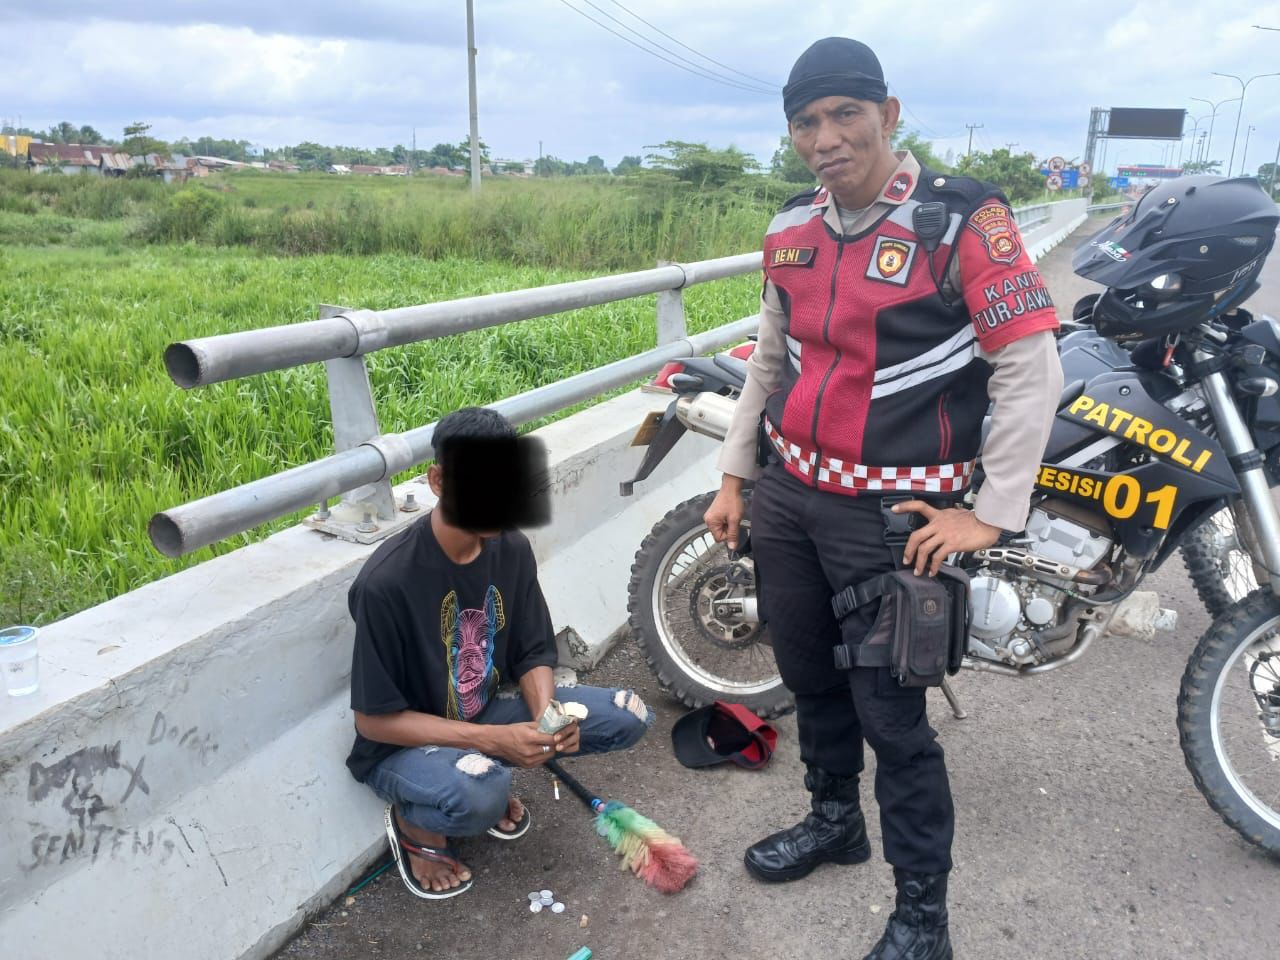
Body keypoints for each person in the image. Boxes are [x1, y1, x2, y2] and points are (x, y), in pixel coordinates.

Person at [704, 37, 1064, 960]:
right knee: (811, 678)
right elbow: (770, 364)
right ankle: (834, 821)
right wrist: (736, 478)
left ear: (889, 116)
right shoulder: (792, 228)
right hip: (791, 497)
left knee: (893, 720)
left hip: (893, 522)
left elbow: (1029, 366)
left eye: (845, 116)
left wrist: (990, 511)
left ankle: (922, 918)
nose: (827, 139)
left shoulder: (961, 220)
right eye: (807, 123)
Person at [345, 407, 654, 900]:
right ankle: (416, 825)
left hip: (484, 709)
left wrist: (547, 719)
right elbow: (373, 723)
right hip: (405, 745)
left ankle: (483, 770)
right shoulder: (386, 584)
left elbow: (533, 651)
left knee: (627, 715)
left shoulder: (510, 547)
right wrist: (493, 740)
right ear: (438, 481)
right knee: (480, 796)